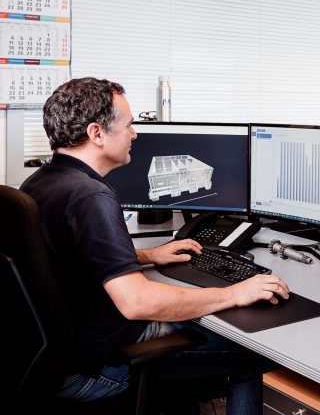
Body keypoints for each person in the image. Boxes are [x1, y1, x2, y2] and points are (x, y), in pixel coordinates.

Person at [20, 78, 289, 414]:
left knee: (199, 315)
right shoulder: (91, 197)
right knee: (250, 354)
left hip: (47, 362)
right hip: (96, 369)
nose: (135, 134)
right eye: (129, 125)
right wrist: (236, 293)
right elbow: (137, 303)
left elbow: (64, 257)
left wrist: (147, 255)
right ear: (96, 133)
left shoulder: (41, 182)